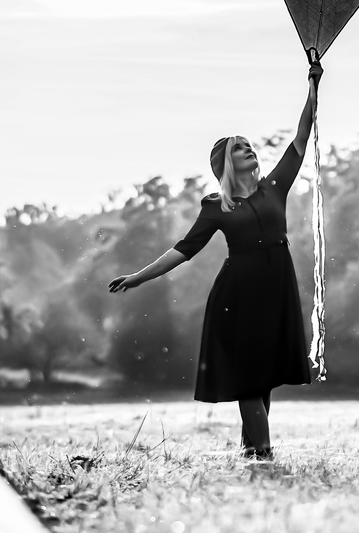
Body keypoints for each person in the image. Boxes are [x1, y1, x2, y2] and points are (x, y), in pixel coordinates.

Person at [108, 61, 322, 459]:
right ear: (226, 161)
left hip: (277, 286)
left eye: (249, 145)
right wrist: (138, 277)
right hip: (237, 295)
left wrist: (312, 87)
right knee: (248, 379)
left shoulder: (274, 187)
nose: (249, 149)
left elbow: (301, 137)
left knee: (265, 378)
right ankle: (263, 456)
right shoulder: (215, 206)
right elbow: (183, 250)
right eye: (240, 147)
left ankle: (250, 452)